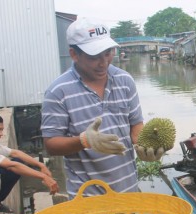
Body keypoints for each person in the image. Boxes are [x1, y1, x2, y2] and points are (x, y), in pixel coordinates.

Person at [41, 17, 162, 198]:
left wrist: (145, 148)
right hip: (87, 198)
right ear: (74, 54)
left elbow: (136, 125)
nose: (104, 62)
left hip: (128, 192)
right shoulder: (58, 91)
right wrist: (83, 140)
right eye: (94, 56)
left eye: (108, 53)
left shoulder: (125, 81)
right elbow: (51, 144)